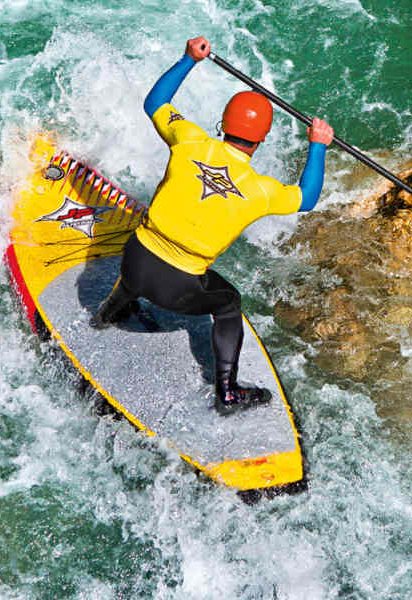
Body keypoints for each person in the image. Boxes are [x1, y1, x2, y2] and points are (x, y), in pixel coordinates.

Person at [91, 36, 333, 416]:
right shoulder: (261, 191)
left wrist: (188, 59)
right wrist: (318, 145)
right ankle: (228, 392)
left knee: (148, 249)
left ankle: (109, 312)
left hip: (133, 260)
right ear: (262, 140)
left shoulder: (189, 140)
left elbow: (154, 103)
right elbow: (307, 197)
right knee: (229, 303)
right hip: (179, 288)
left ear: (222, 125)